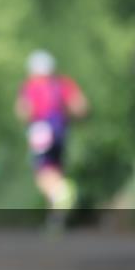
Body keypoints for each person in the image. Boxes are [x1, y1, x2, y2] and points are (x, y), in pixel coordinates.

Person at [16, 50, 87, 212]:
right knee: (55, 168)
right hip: (61, 129)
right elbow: (81, 107)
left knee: (42, 172)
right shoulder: (62, 84)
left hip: (41, 131)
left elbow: (23, 111)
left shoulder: (31, 87)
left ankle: (62, 193)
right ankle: (57, 210)